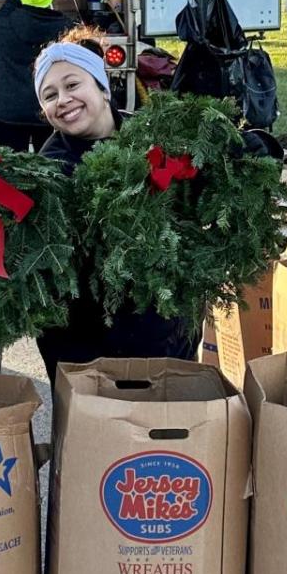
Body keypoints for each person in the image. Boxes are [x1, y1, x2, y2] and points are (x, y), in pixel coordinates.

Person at [34, 31, 193, 381]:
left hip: (166, 328)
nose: (63, 99)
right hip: (87, 345)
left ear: (103, 88)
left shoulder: (150, 134)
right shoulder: (52, 170)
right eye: (50, 95)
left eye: (72, 85)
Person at [0, 0, 66, 151]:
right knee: (51, 165)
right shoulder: (65, 29)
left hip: (8, 111)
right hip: (47, 109)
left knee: (9, 168)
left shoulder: (5, 24)